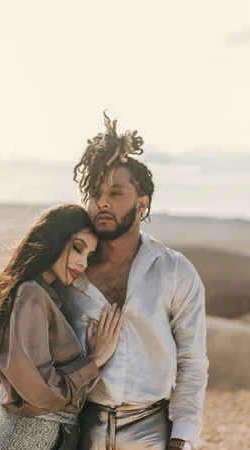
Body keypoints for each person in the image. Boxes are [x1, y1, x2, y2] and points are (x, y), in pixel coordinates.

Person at [61, 112, 209, 450]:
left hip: (152, 429)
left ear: (141, 204)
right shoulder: (69, 271)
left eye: (115, 193)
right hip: (79, 428)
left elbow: (192, 361)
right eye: (95, 192)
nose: (102, 202)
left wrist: (182, 438)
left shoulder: (174, 270)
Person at [0, 203, 125, 450]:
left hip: (22, 433)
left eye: (89, 256)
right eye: (78, 249)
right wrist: (94, 360)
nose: (82, 263)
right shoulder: (31, 294)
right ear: (54, 238)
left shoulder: (43, 295)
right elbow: (39, 389)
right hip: (30, 438)